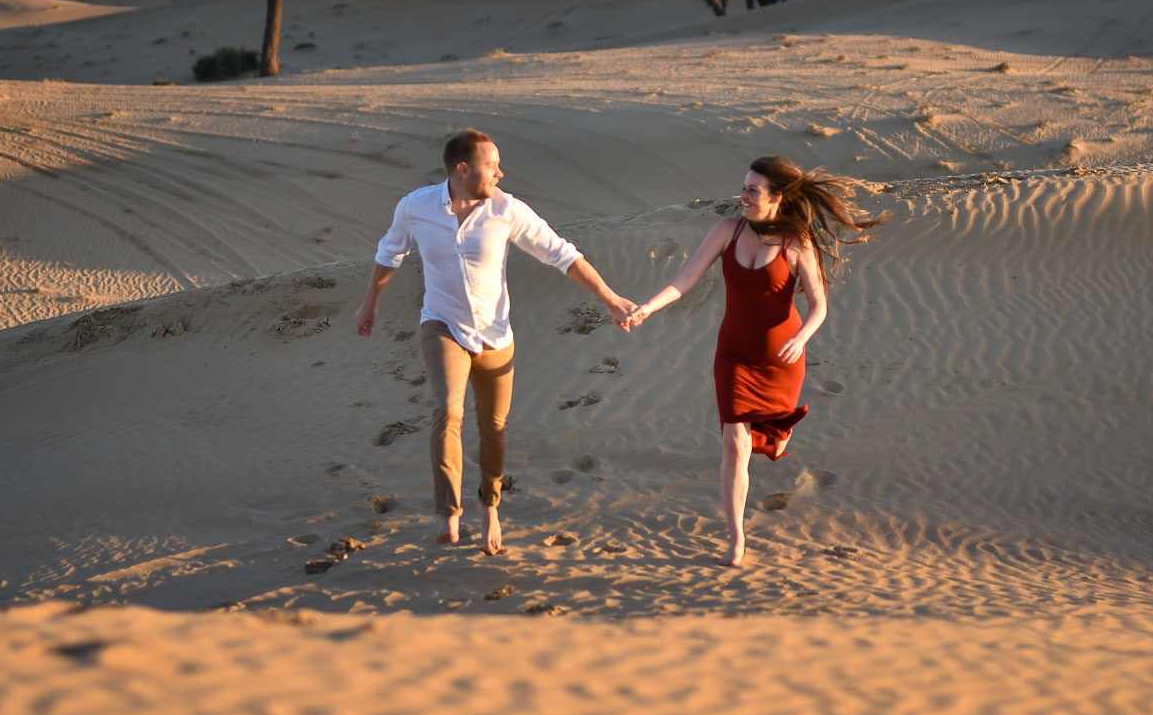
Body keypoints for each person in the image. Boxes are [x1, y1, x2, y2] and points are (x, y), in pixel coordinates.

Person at [356, 129, 636, 555]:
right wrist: (369, 304)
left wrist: (612, 299)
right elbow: (389, 253)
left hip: (496, 335)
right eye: (492, 166)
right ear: (462, 169)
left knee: (495, 429)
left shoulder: (507, 210)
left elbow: (561, 254)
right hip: (442, 325)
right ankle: (449, 512)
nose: (501, 173)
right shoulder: (415, 207)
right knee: (448, 410)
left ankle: (489, 507)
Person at [621, 155, 885, 566]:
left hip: (781, 358)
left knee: (775, 439)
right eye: (743, 187)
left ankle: (778, 436)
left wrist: (802, 336)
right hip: (735, 355)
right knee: (733, 444)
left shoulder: (797, 243)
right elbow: (685, 278)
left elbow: (819, 305)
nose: (742, 195)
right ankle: (736, 538)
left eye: (751, 190)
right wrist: (649, 307)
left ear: (776, 197)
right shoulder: (728, 229)